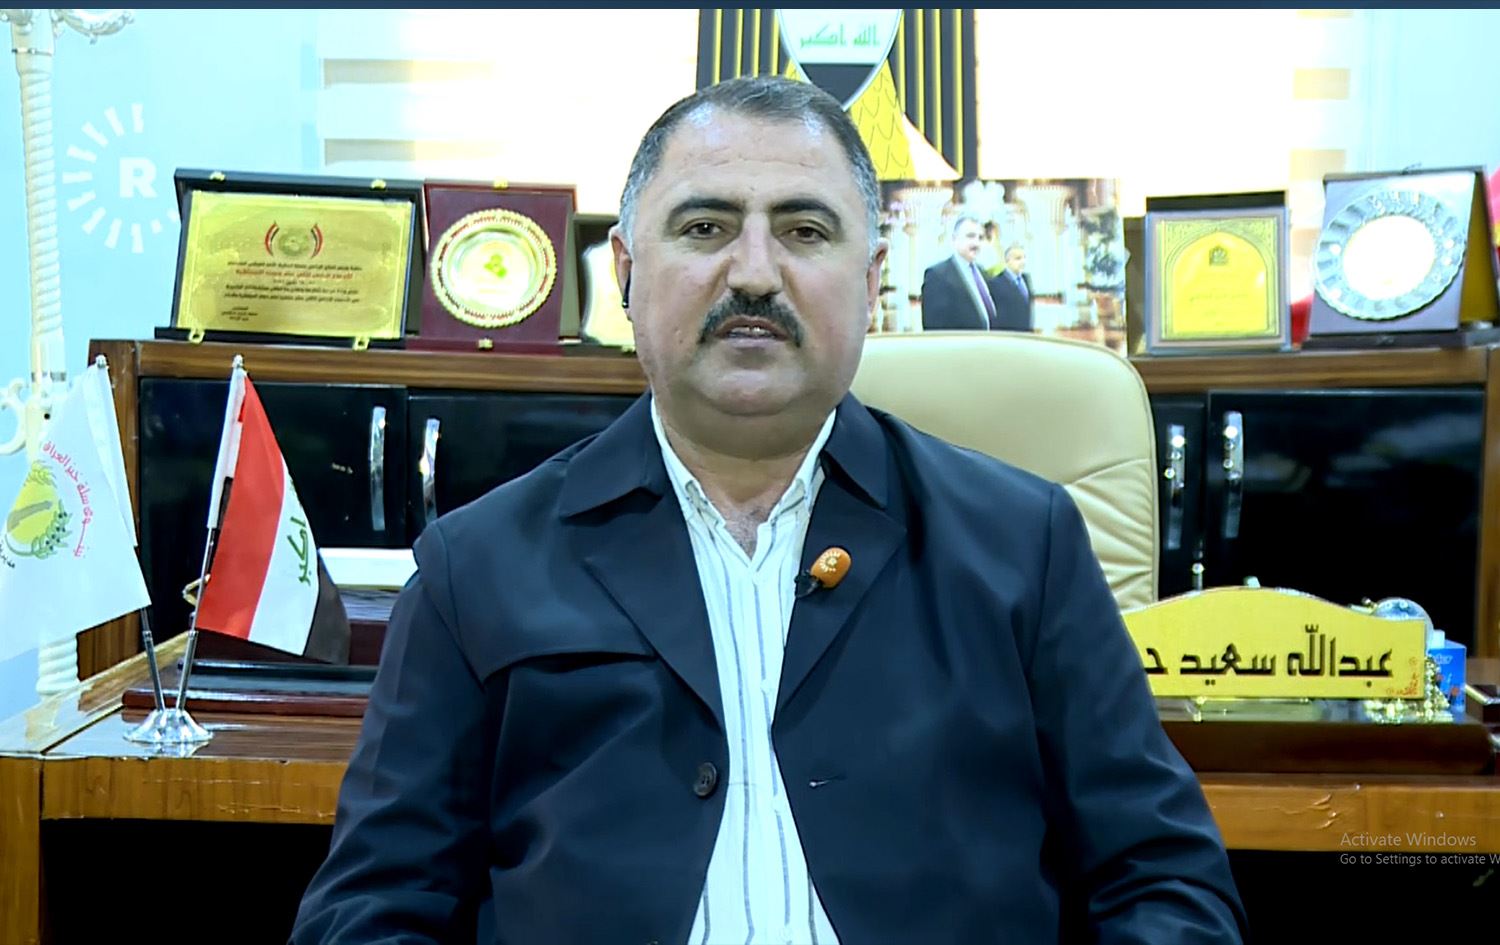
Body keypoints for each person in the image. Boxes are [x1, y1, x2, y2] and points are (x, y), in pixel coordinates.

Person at [291, 75, 1246, 945]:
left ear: (871, 280)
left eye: (805, 231)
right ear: (625, 271)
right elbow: (371, 907)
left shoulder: (1021, 543)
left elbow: (1165, 882)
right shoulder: (476, 566)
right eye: (705, 227)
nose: (753, 272)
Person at [919, 214, 1005, 331]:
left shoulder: (982, 273)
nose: (976, 243)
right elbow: (934, 328)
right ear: (954, 239)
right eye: (970, 236)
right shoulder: (937, 275)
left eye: (980, 238)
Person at [992, 241, 1035, 331]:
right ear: (1007, 261)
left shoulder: (1026, 279)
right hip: (1008, 333)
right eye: (1018, 258)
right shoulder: (996, 283)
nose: (1023, 262)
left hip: (1026, 332)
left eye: (1024, 258)